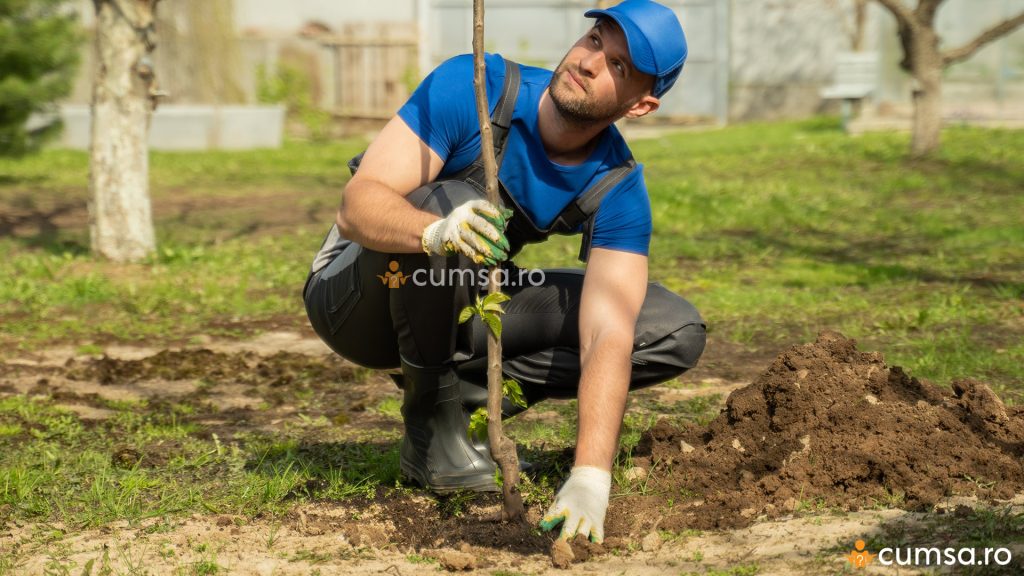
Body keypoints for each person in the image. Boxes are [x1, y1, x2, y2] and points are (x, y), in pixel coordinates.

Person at [303, 0, 706, 543]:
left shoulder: (616, 187)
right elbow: (357, 208)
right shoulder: (477, 87)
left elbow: (609, 327)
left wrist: (592, 474)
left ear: (641, 104)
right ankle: (431, 425)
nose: (588, 62)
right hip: (356, 296)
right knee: (451, 199)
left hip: (457, 294)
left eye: (617, 67)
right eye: (595, 40)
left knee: (670, 328)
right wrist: (432, 232)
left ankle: (463, 398)